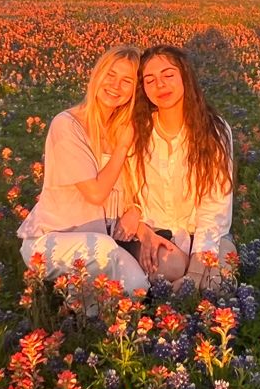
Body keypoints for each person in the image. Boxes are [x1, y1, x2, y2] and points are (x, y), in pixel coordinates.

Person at [18, 46, 150, 295]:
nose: (115, 86)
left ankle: (80, 302)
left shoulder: (120, 127)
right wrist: (122, 146)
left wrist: (135, 209)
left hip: (103, 243)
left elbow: (131, 186)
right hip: (51, 242)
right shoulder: (67, 124)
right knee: (102, 252)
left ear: (135, 91)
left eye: (127, 81)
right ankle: (79, 312)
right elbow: (96, 194)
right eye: (110, 75)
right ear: (97, 74)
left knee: (138, 290)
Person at [115, 44, 235, 291]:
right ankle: (168, 295)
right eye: (150, 80)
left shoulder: (214, 130)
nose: (160, 85)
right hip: (153, 232)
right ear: (143, 89)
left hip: (204, 232)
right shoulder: (137, 130)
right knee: (171, 268)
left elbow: (216, 205)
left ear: (185, 77)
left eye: (168, 75)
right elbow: (121, 189)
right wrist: (140, 224)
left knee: (219, 280)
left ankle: (169, 296)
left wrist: (196, 269)